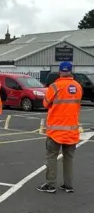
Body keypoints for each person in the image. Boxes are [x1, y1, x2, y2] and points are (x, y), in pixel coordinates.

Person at [36, 62, 82, 194]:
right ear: (71, 71)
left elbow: (45, 103)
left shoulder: (55, 86)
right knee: (69, 158)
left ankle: (51, 184)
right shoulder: (78, 87)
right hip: (72, 130)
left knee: (52, 156)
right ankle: (68, 185)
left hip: (56, 130)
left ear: (60, 71)